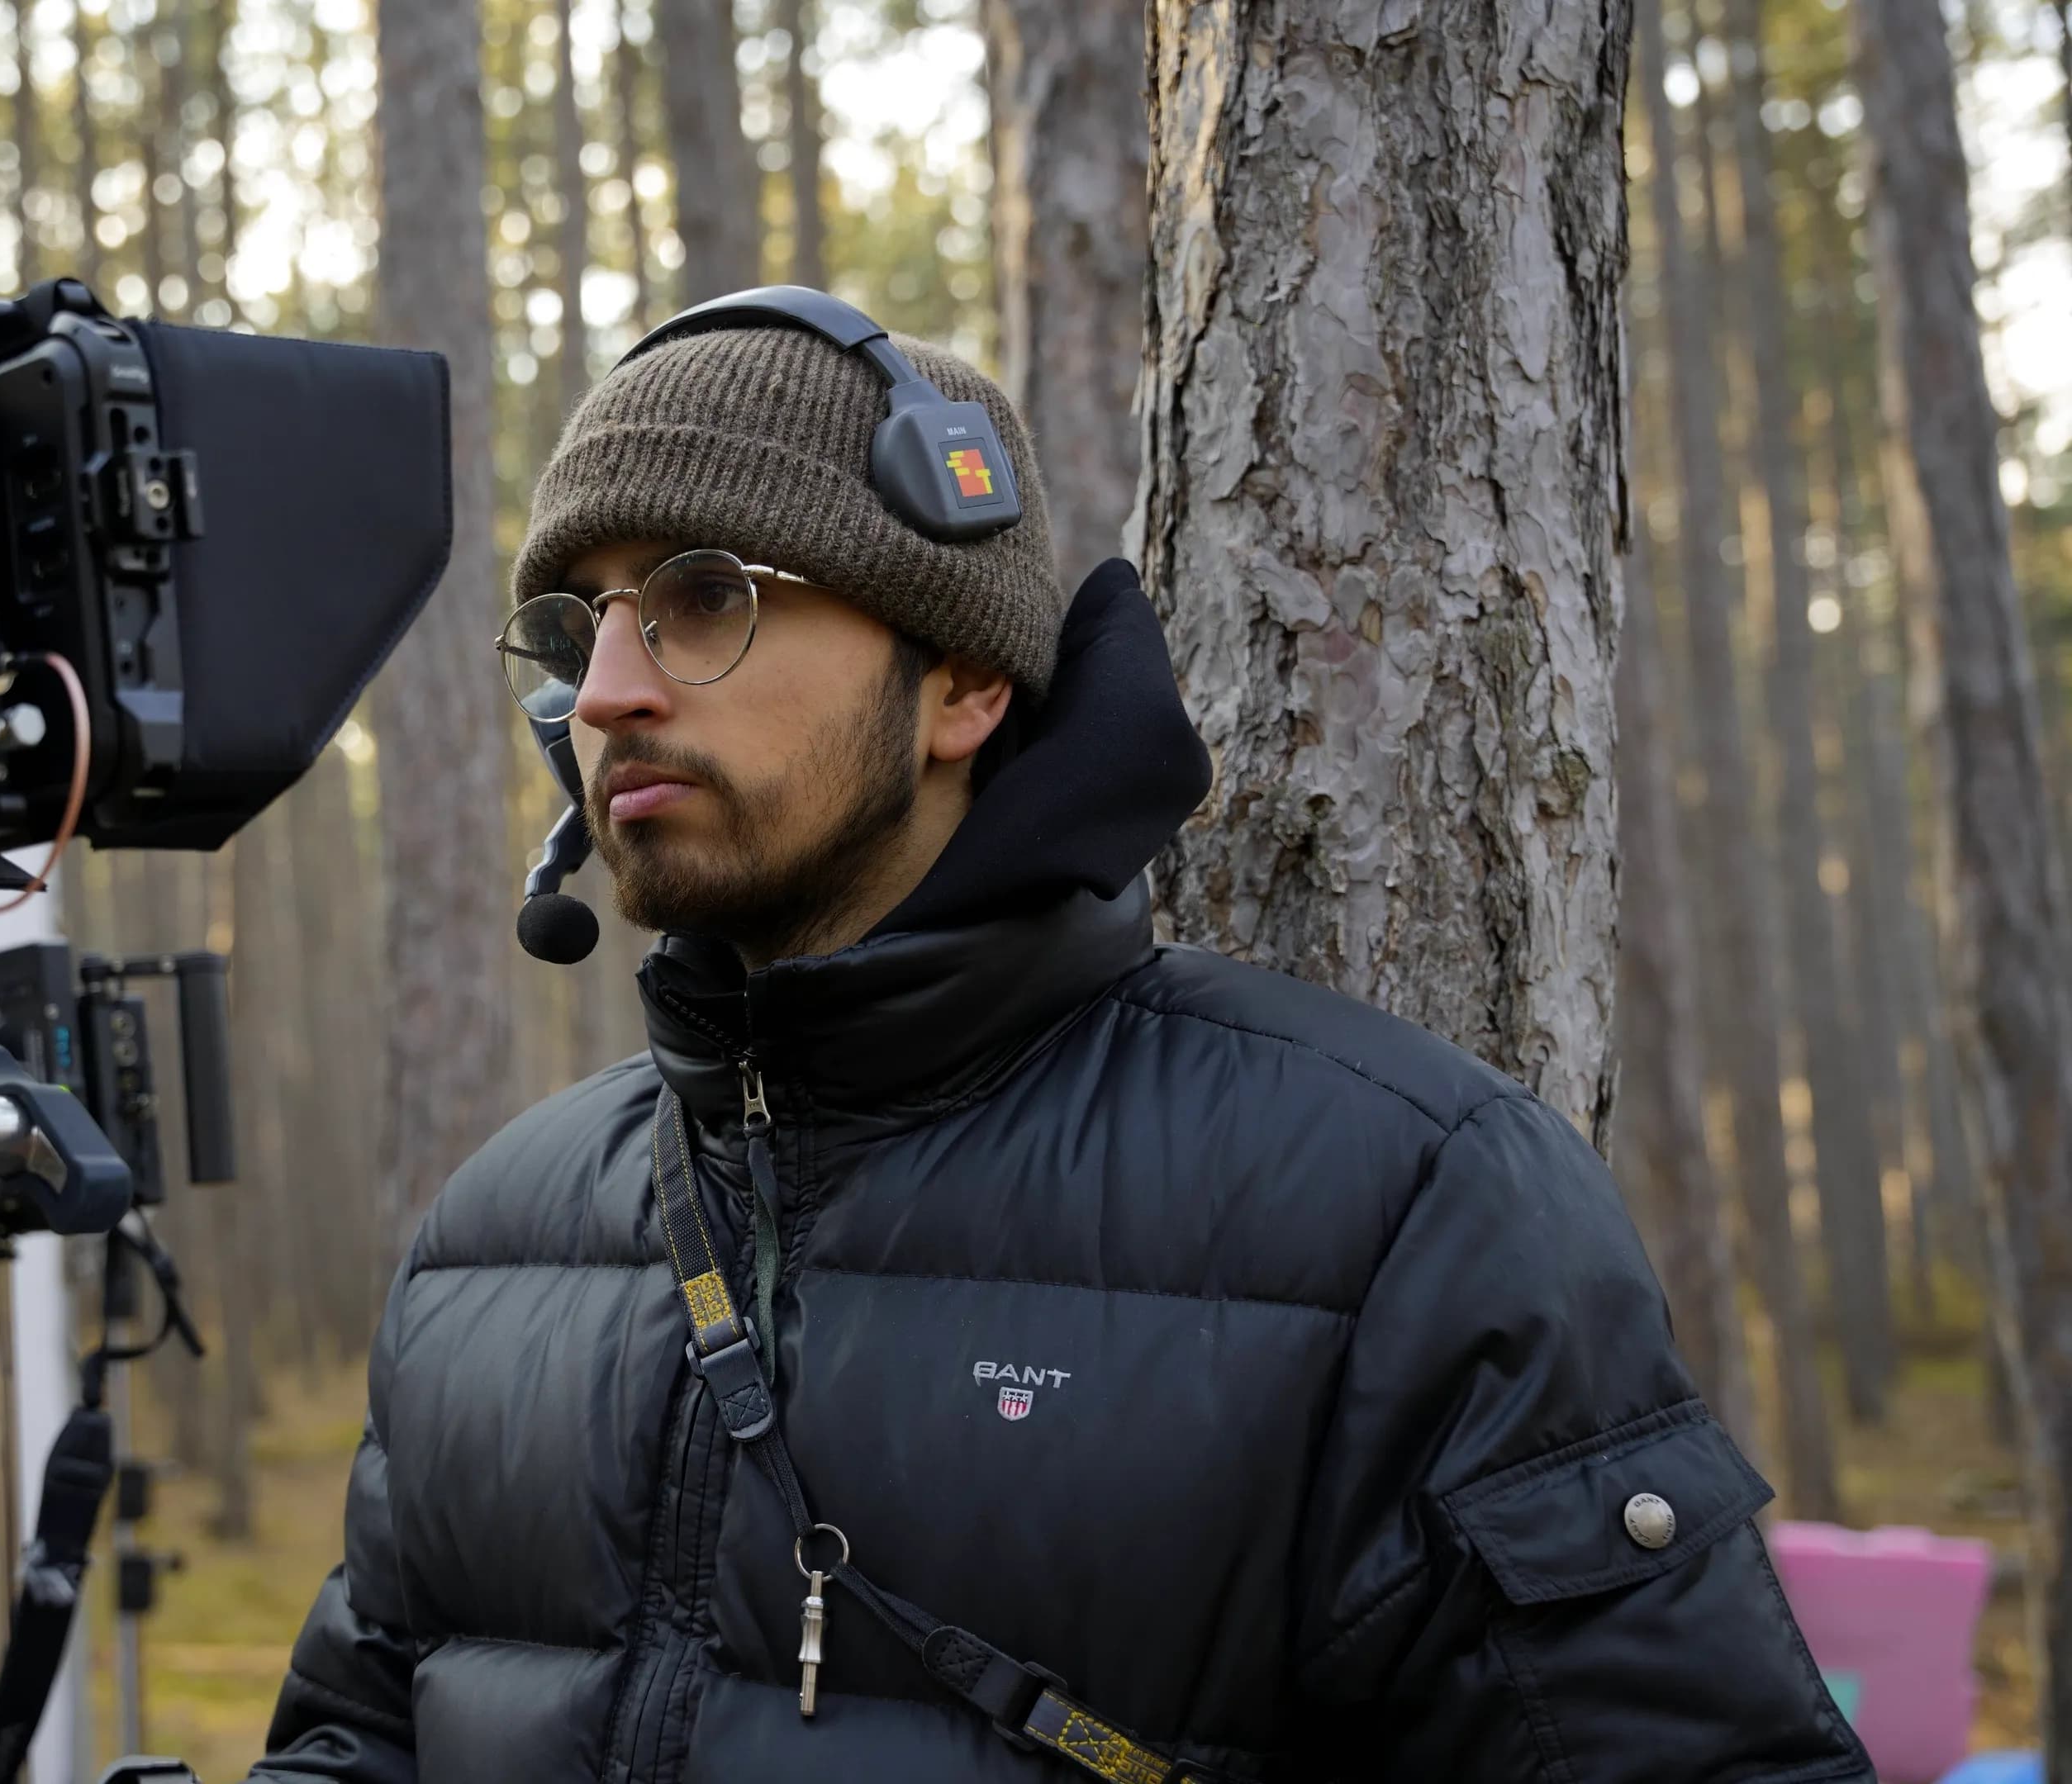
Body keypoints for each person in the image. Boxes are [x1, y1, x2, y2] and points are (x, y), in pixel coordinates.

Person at [245, 302, 1869, 1783]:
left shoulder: (1406, 1213)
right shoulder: (488, 1246)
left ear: (958, 681)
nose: (603, 694)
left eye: (703, 599)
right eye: (579, 625)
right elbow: (359, 1744)